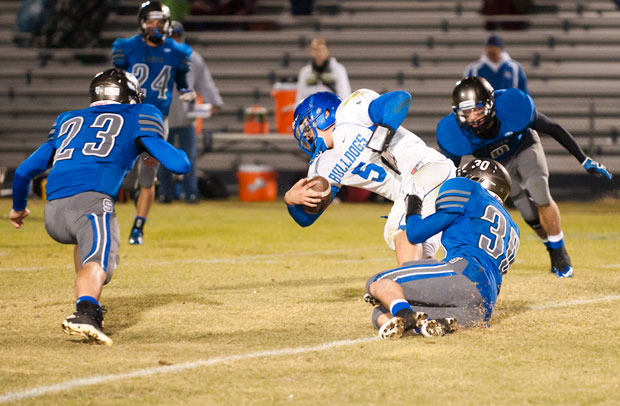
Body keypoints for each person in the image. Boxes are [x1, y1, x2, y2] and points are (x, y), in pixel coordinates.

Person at [8, 68, 190, 345]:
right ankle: (84, 313)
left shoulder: (68, 119)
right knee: (100, 261)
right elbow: (180, 165)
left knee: (87, 251)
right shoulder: (141, 113)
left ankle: (87, 306)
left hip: (53, 209)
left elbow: (22, 173)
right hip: (93, 201)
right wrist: (158, 148)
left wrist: (18, 208)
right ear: (130, 96)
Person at [436, 77, 613, 278]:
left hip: (525, 146)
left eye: (477, 109)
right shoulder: (454, 133)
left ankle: (559, 251)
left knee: (539, 191)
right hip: (500, 165)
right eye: (467, 112)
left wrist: (583, 159)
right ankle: (550, 246)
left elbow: (552, 127)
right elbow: (448, 169)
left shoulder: (512, 107)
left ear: (490, 104)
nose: (473, 117)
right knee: (527, 211)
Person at [284, 90, 456, 266]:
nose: (305, 134)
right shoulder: (322, 165)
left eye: (306, 125)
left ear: (325, 113)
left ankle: (409, 284)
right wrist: (291, 199)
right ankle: (433, 283)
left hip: (428, 169)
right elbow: (306, 219)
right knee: (422, 250)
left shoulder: (349, 111)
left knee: (398, 231)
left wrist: (380, 138)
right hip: (420, 191)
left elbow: (399, 99)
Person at [365, 159, 520, 339]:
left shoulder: (468, 187)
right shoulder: (512, 227)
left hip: (462, 272)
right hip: (484, 305)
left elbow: (415, 234)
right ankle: (426, 326)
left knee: (377, 281)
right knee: (380, 313)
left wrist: (413, 203)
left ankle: (405, 316)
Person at [112, 0, 196, 245]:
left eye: (160, 22)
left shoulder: (178, 51)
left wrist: (185, 90)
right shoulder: (126, 47)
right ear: (142, 23)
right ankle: (106, 217)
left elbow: (181, 79)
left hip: (156, 121)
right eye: (151, 21)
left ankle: (138, 227)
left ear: (168, 24)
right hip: (127, 118)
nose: (156, 26)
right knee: (120, 174)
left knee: (147, 178)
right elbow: (116, 80)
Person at [157, 21, 224, 204]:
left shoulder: (192, 58)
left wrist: (214, 102)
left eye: (176, 36)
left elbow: (205, 82)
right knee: (163, 156)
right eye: (171, 36)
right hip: (164, 115)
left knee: (188, 157)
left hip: (187, 115)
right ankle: (165, 192)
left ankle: (191, 192)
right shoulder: (156, 57)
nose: (174, 40)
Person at [463, 34, 529, 94]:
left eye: (494, 50)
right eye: (489, 49)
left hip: (509, 106)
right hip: (482, 106)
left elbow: (523, 92)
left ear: (500, 49)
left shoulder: (515, 68)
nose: (491, 52)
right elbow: (467, 91)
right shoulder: (474, 69)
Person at [295, 38, 351, 104]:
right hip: (312, 110)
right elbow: (300, 96)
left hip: (332, 109)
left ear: (327, 51)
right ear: (311, 52)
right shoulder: (305, 72)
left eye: (322, 50)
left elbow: (345, 93)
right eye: (316, 50)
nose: (319, 53)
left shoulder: (338, 70)